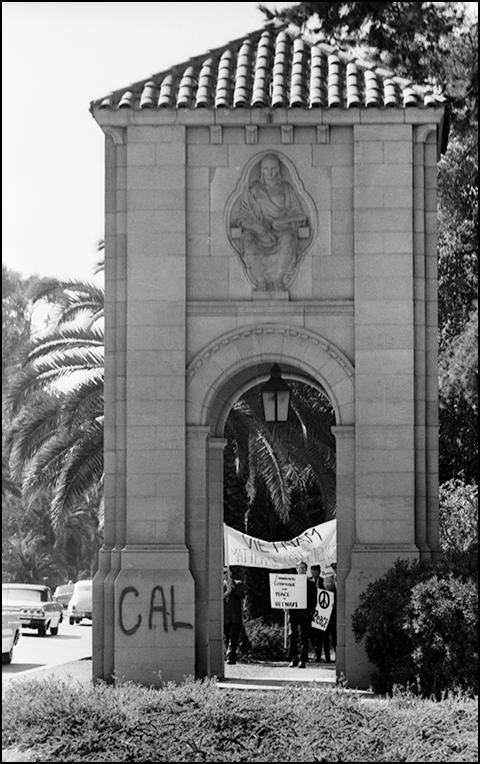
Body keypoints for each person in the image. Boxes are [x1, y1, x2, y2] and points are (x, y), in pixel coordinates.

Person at [237, 154, 306, 291]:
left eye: (273, 169)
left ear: (278, 170)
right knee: (248, 240)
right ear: (261, 170)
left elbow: (297, 214)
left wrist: (283, 221)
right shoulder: (255, 189)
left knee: (289, 238)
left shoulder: (287, 188)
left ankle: (278, 278)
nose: (270, 172)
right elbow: (243, 216)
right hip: (259, 233)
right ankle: (260, 279)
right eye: (266, 169)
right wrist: (257, 228)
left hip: (281, 232)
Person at [288, 561, 317, 668]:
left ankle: (303, 660)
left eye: (303, 568)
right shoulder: (291, 582)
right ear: (296, 569)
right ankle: (293, 658)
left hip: (305, 614)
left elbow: (314, 599)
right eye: (299, 568)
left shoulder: (311, 583)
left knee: (304, 637)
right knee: (292, 636)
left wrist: (310, 612)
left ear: (306, 570)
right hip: (294, 613)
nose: (301, 570)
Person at [223, 566, 245, 665]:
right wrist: (226, 593)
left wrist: (234, 587)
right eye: (223, 573)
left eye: (226, 572)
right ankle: (229, 654)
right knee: (227, 637)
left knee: (233, 637)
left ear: (230, 573)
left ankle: (231, 657)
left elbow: (242, 595)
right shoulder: (219, 585)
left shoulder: (238, 583)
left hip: (235, 616)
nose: (225, 574)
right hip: (225, 616)